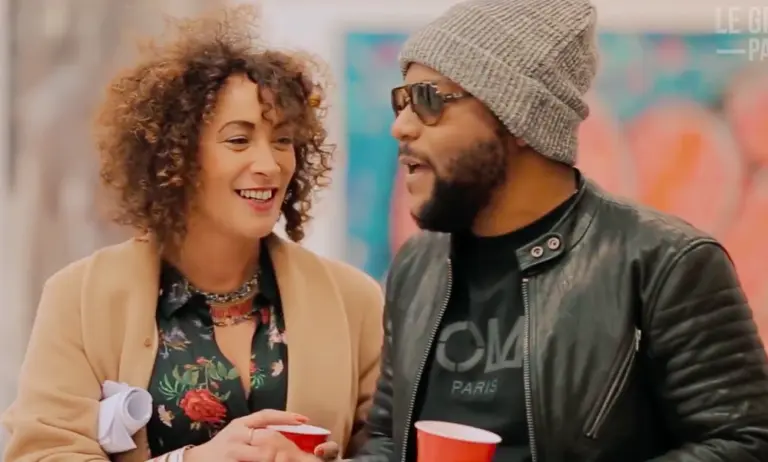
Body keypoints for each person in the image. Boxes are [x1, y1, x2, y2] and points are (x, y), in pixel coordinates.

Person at [354, 0, 768, 461]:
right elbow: (388, 439)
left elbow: (747, 443)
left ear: (518, 115)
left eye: (428, 100)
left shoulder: (665, 264)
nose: (401, 127)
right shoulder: (419, 265)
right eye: (401, 102)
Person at [2, 6, 384, 462]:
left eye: (283, 140)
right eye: (238, 140)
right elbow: (42, 454)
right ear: (176, 156)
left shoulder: (354, 301)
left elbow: (391, 448)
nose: (269, 164)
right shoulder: (80, 299)